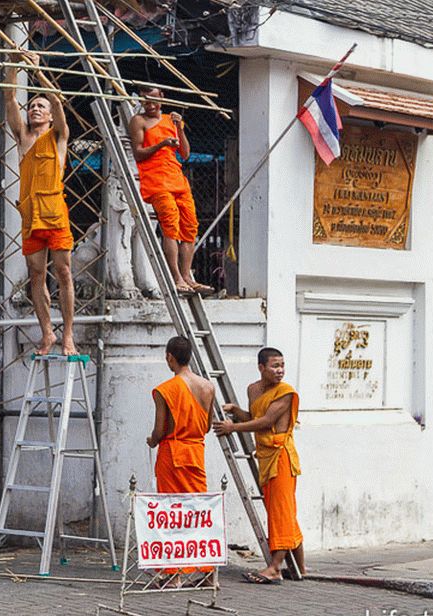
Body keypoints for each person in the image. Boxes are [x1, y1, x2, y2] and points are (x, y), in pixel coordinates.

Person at [4, 50, 77, 356]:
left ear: (48, 115)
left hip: (55, 215)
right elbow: (9, 101)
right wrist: (14, 68)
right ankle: (47, 333)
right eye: (32, 105)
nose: (35, 109)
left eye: (40, 107)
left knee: (63, 273)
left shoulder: (58, 136)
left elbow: (59, 102)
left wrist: (39, 73)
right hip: (31, 217)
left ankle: (68, 335)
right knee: (36, 274)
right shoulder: (23, 137)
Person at [212, 347, 305, 584]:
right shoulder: (253, 389)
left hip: (280, 456)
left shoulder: (286, 392)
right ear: (261, 367)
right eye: (275, 366)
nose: (280, 371)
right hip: (263, 457)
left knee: (281, 511)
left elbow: (266, 422)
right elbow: (253, 416)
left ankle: (275, 568)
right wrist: (236, 412)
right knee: (283, 511)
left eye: (282, 365)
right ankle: (300, 568)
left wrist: (232, 427)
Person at [128, 87, 212, 294]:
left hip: (177, 180)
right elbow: (138, 153)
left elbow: (185, 153)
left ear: (161, 99)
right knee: (170, 226)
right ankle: (175, 277)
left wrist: (179, 128)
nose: (149, 104)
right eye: (145, 100)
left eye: (153, 99)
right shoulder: (138, 121)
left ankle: (186, 276)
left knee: (190, 227)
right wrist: (161, 144)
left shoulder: (170, 120)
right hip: (156, 181)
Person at [146, 335, 215, 578]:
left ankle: (172, 573)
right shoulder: (208, 386)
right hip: (196, 452)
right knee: (198, 511)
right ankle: (207, 571)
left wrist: (152, 441)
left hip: (172, 453)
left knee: (171, 511)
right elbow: (206, 426)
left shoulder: (165, 390)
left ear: (169, 357)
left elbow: (159, 429)